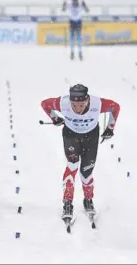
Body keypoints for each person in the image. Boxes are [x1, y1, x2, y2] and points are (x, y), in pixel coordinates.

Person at [41, 84, 120, 221]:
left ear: (87, 100)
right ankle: (67, 203)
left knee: (86, 173)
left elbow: (115, 107)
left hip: (91, 137)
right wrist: (55, 118)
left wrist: (110, 128)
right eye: (74, 105)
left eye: (81, 105)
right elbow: (44, 104)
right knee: (72, 166)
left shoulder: (98, 103)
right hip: (71, 136)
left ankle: (88, 199)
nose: (78, 109)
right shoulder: (62, 103)